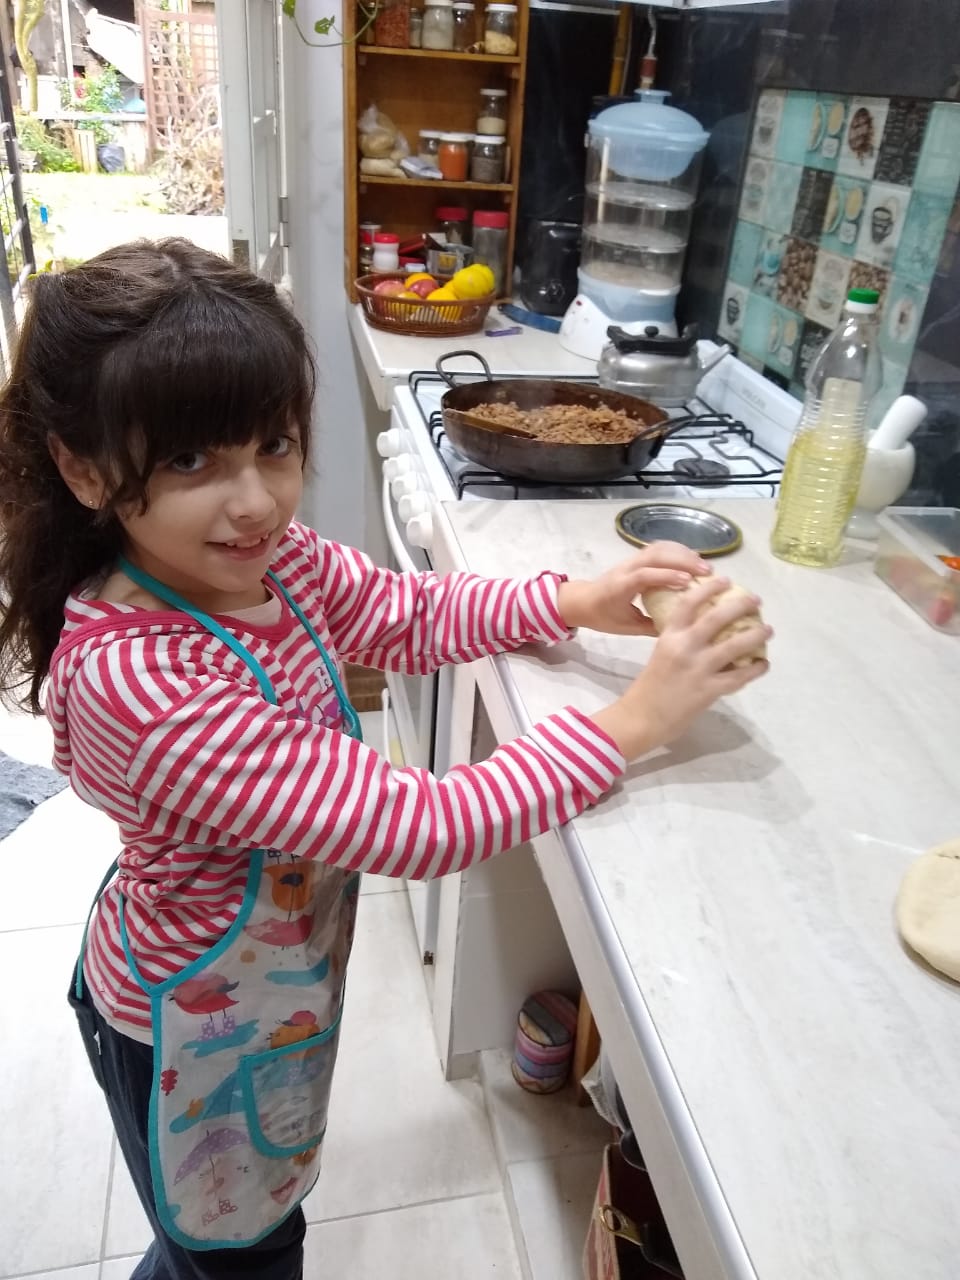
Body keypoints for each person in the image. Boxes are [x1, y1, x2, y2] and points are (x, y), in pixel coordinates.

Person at [0, 239, 770, 1280]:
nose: (255, 500)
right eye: (190, 462)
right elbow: (422, 825)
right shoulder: (141, 680)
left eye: (273, 444)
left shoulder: (271, 562)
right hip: (183, 1030)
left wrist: (571, 600)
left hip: (267, 994)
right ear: (85, 468)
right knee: (236, 1258)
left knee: (224, 1248)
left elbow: (404, 613)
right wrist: (637, 719)